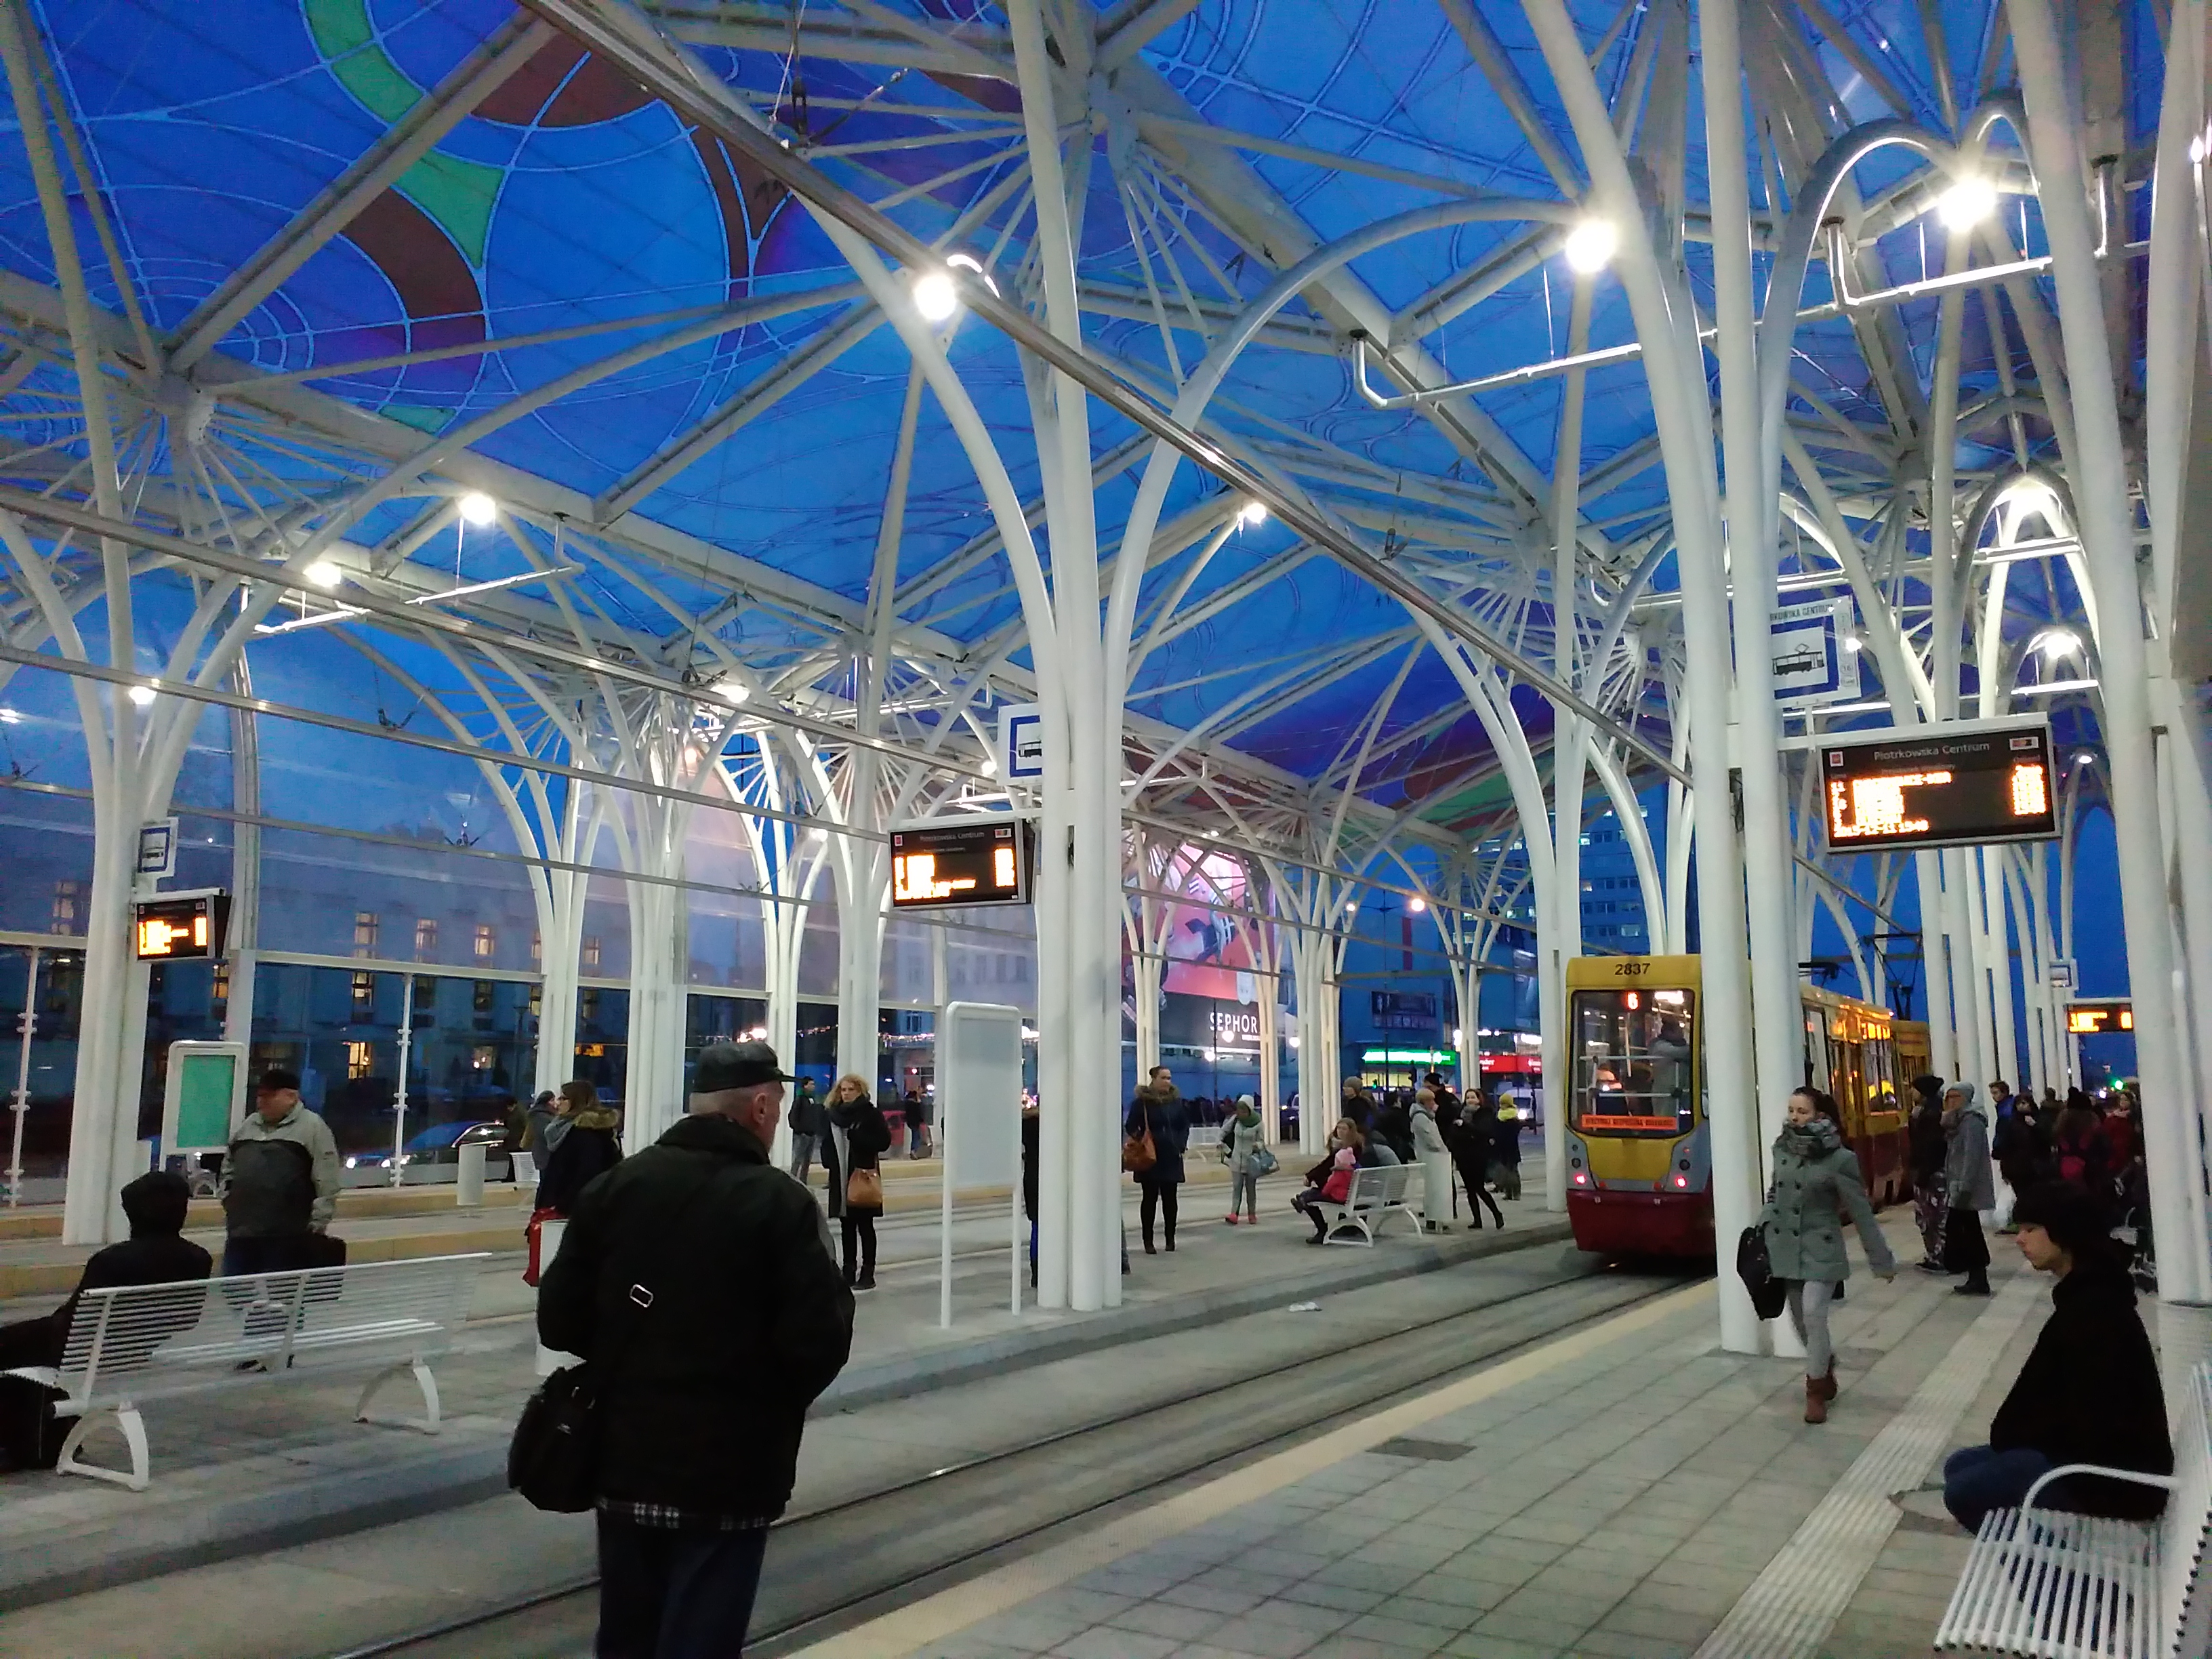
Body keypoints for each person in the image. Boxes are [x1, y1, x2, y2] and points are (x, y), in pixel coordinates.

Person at [539, 1040, 853, 1658]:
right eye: (777, 1104)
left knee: (626, 1633)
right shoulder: (781, 1203)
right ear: (759, 1108)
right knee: (702, 1636)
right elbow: (821, 1337)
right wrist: (765, 1402)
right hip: (731, 1465)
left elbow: (559, 1319)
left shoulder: (614, 1188)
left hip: (624, 1453)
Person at [1943, 1181, 2173, 1532]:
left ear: (2065, 1232)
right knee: (1959, 1465)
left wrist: (2020, 1436)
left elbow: (2092, 1417)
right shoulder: (2088, 1293)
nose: (2019, 1239)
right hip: (2095, 1460)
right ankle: (2034, 1560)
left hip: (2116, 1479)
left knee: (1965, 1491)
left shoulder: (2094, 1310)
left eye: (2031, 1229)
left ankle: (2046, 1570)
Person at [1761, 1087, 1897, 1424]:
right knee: (1799, 1322)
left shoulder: (1840, 1159)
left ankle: (1815, 1390)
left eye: (1802, 1111)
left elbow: (1860, 1210)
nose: (1795, 1117)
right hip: (1786, 1247)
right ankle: (1824, 1363)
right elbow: (1776, 1191)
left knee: (1813, 1313)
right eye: (1792, 1110)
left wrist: (1880, 1259)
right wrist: (1763, 1222)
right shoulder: (1782, 1147)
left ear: (1819, 1115)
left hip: (1821, 1247)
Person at [222, 1068, 341, 1276]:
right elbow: (228, 1166)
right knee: (236, 1289)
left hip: (289, 1235)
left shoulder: (312, 1128)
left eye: (269, 1096)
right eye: (260, 1096)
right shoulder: (248, 1126)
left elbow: (327, 1177)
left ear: (291, 1097)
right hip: (242, 1231)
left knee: (281, 1291)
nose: (261, 1102)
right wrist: (228, 1197)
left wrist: (319, 1222)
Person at [821, 1073, 890, 1290]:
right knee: (846, 1227)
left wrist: (858, 1138)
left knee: (865, 1226)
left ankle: (868, 1272)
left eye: (851, 1090)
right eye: (843, 1090)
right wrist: (828, 1160)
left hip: (862, 1176)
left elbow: (883, 1142)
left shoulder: (870, 1114)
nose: (846, 1093)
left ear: (860, 1091)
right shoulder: (833, 1115)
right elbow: (827, 1142)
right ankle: (848, 1271)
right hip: (840, 1177)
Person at [1125, 1065, 1190, 1253]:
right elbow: (1130, 1126)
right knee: (1149, 1199)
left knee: (1171, 1200)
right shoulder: (1142, 1103)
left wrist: (1180, 1144)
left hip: (1171, 1156)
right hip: (1150, 1158)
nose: (1167, 1082)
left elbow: (1184, 1126)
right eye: (1163, 1078)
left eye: (1169, 1078)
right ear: (1154, 1079)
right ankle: (1148, 1241)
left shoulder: (1176, 1102)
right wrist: (1142, 1140)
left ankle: (1170, 1239)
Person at [1939, 1082, 1995, 1295]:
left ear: (1966, 1098)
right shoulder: (1958, 1121)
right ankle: (1976, 1275)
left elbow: (1971, 1157)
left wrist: (1965, 1187)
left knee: (1966, 1231)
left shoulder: (1972, 1122)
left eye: (1956, 1097)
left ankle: (1976, 1274)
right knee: (1969, 1230)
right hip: (1958, 1185)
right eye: (1949, 1097)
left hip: (1965, 1188)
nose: (1951, 1101)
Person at [536, 1084, 623, 1219]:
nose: (558, 1103)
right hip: (565, 1206)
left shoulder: (586, 1133)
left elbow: (587, 1172)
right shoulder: (564, 1129)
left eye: (563, 1098)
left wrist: (562, 1205)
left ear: (577, 1101)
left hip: (576, 1210)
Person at [1908, 1075, 1948, 1269]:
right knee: (1935, 1216)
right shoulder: (1930, 1112)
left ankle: (1938, 1256)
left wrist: (1923, 1173)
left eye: (1914, 1088)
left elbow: (1928, 1146)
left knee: (1931, 1217)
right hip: (1932, 1171)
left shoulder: (1930, 1116)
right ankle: (1939, 1255)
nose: (1911, 1092)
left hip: (1930, 1173)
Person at [1454, 1090, 1505, 1229]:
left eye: (1473, 1097)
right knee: (1470, 1191)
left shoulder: (1484, 1114)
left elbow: (1482, 1132)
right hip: (1463, 1156)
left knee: (1479, 1188)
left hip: (1478, 1156)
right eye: (1468, 1097)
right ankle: (1477, 1220)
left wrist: (1465, 1125)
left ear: (1479, 1099)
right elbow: (1455, 1133)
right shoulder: (1461, 1113)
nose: (1470, 1100)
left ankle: (1497, 1214)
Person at [1292, 1145, 1358, 1244]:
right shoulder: (1353, 1171)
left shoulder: (1339, 1173)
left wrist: (1324, 1190)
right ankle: (1302, 1200)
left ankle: (1321, 1229)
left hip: (1338, 1197)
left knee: (1311, 1197)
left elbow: (1328, 1188)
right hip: (1349, 1196)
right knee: (1311, 1194)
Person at [1410, 1088, 1454, 1233]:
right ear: (1424, 1101)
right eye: (1431, 1100)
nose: (1434, 1103)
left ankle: (1436, 1218)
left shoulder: (1427, 1116)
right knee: (1433, 1189)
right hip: (1432, 1157)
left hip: (1434, 1156)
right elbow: (1431, 1138)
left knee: (1434, 1189)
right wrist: (1442, 1149)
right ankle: (1434, 1218)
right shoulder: (1421, 1117)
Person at [1221, 1094, 1265, 1225]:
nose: (1241, 1114)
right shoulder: (1236, 1120)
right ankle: (1234, 1214)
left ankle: (1252, 1214)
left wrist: (1257, 1145)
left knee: (1251, 1189)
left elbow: (1262, 1142)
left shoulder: (1258, 1123)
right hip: (1236, 1160)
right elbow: (1224, 1131)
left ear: (1250, 1110)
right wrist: (1221, 1143)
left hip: (1251, 1161)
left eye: (1244, 1111)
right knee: (1237, 1188)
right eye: (1239, 1110)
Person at [787, 1078, 823, 1183]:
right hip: (802, 1135)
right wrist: (799, 1130)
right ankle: (792, 1181)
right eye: (811, 1084)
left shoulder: (812, 1099)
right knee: (798, 1159)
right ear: (805, 1086)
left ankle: (803, 1181)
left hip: (812, 1134)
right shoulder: (800, 1099)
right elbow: (793, 1116)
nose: (813, 1086)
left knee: (807, 1161)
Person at [1021, 1095, 1040, 1287]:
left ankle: (1036, 1272)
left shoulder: (1025, 1125)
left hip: (1031, 1178)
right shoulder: (1050, 1125)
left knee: (1037, 1226)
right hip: (1050, 1178)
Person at [1490, 1103, 1524, 1202]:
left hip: (1509, 1148)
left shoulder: (1510, 1118)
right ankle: (1509, 1193)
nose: (1502, 1105)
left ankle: (1515, 1193)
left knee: (1512, 1172)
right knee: (1507, 1172)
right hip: (1506, 1148)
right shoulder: (1502, 1116)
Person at [524, 1090, 561, 1158]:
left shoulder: (546, 1114)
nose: (556, 1103)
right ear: (546, 1102)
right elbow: (544, 1135)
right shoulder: (541, 1116)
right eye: (552, 1100)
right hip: (542, 1152)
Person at [903, 1087, 932, 1159]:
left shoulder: (907, 1104)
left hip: (910, 1122)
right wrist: (919, 1100)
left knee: (915, 1136)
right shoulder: (914, 1104)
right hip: (915, 1122)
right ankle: (914, 1150)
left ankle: (913, 1151)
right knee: (916, 1137)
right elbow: (919, 1111)